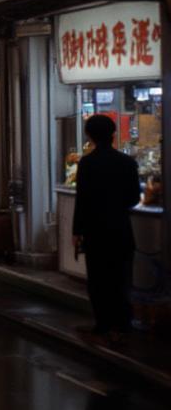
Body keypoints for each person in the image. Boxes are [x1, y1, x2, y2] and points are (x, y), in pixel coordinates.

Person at [73, 114, 141, 341]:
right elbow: (133, 198)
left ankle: (102, 323)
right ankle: (123, 324)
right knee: (121, 278)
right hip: (121, 229)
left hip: (95, 231)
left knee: (98, 279)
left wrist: (77, 230)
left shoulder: (87, 163)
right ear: (113, 134)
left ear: (89, 135)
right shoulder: (128, 163)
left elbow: (81, 200)